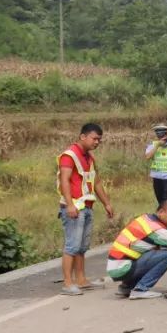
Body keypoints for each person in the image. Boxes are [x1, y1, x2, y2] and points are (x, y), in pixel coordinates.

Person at [57, 122, 114, 296]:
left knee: (81, 247)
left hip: (87, 206)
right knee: (72, 246)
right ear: (83, 136)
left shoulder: (89, 157)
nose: (97, 142)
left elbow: (96, 182)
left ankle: (81, 281)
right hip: (75, 207)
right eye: (94, 138)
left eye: (99, 140)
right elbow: (65, 180)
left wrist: (106, 203)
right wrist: (70, 204)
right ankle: (68, 283)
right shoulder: (69, 155)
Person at [106, 200, 167, 299]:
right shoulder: (160, 231)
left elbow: (149, 246)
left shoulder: (146, 218)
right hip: (122, 268)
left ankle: (127, 287)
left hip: (115, 266)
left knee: (165, 254)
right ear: (161, 212)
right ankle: (140, 289)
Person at [144, 124, 167, 205]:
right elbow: (147, 157)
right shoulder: (153, 145)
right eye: (159, 135)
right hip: (157, 177)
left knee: (166, 200)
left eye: (163, 135)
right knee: (160, 200)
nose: (161, 137)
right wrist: (157, 146)